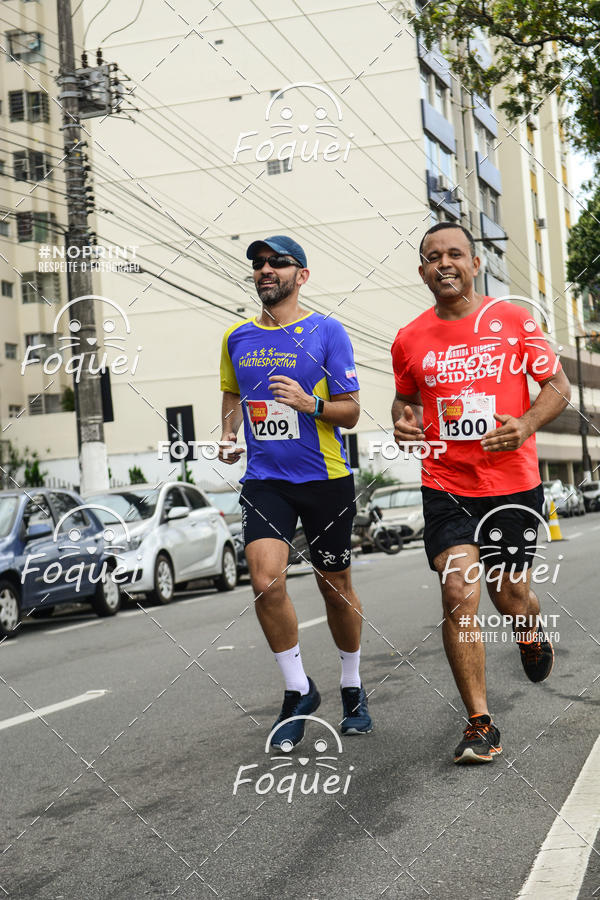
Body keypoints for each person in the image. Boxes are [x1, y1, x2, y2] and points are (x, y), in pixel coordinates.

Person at [391, 221, 570, 764]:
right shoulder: (408, 338)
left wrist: (525, 424)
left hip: (512, 483)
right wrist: (403, 424)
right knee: (457, 594)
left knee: (508, 594)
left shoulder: (514, 320)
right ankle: (479, 723)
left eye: (454, 254)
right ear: (422, 270)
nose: (443, 263)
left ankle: (530, 628)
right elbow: (405, 402)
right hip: (445, 484)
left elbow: (557, 388)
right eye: (432, 257)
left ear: (474, 264)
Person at [219, 235, 372, 749]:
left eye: (277, 263)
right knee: (265, 581)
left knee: (335, 587)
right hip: (266, 480)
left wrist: (311, 404)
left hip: (326, 479)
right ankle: (298, 689)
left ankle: (351, 686)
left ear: (300, 275)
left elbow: (350, 412)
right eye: (259, 263)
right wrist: (226, 435)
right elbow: (233, 393)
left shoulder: (327, 331)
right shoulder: (236, 337)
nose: (265, 269)